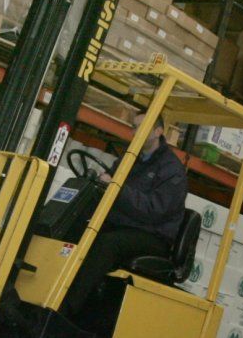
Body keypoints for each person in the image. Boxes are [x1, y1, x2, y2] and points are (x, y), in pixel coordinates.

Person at [62, 126, 188, 316]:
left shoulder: (172, 170)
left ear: (158, 131)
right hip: (125, 224)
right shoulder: (130, 158)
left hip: (153, 235)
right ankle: (52, 291)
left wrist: (117, 187)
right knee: (76, 227)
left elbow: (153, 210)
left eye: (141, 127)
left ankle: (66, 309)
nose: (135, 131)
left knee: (108, 244)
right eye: (134, 127)